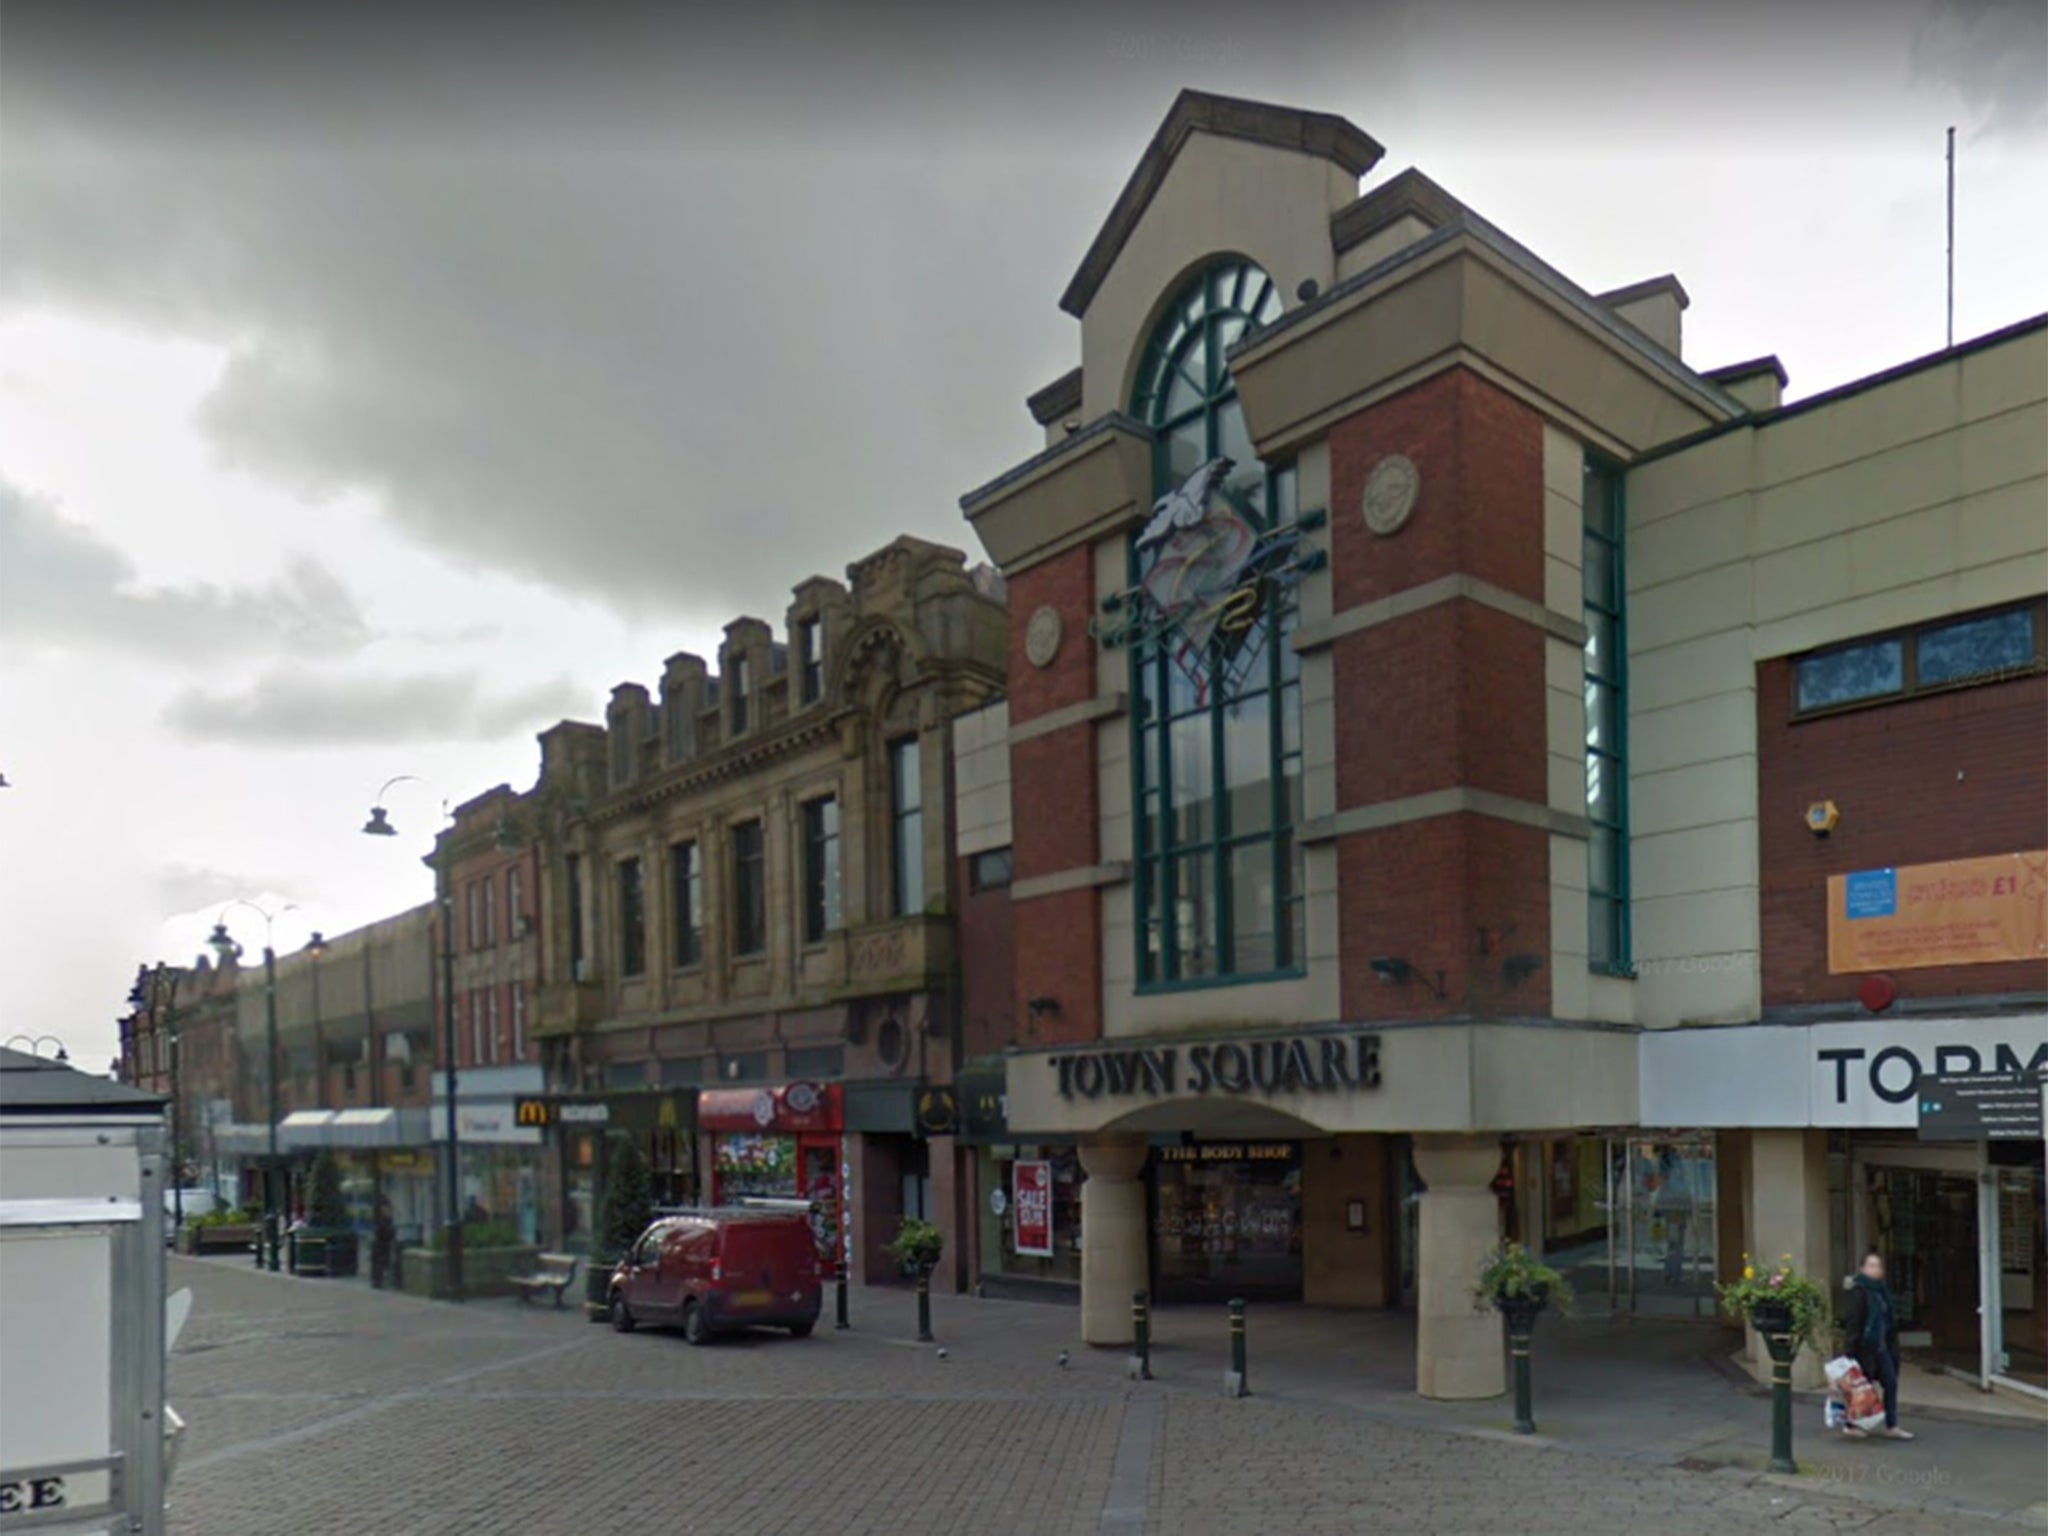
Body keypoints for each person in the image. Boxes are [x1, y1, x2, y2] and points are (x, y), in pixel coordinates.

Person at [1840, 1249, 1913, 1440]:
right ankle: (1851, 1424)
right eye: (1871, 1265)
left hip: (1882, 1347)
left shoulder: (1882, 1292)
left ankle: (1892, 1424)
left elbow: (1888, 1321)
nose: (1875, 1270)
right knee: (1863, 1387)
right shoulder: (1859, 1292)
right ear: (1863, 1268)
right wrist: (1849, 1350)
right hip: (1865, 1347)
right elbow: (1854, 1322)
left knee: (1890, 1382)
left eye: (1878, 1266)